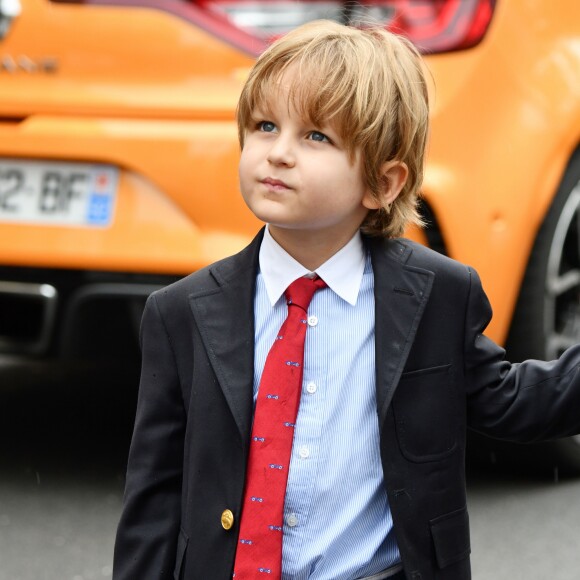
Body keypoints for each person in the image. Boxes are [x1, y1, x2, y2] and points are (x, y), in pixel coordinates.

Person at [112, 20, 580, 580]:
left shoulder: (434, 296)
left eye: (316, 137)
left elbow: (512, 401)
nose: (278, 153)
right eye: (265, 126)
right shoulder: (181, 312)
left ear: (382, 184)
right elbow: (154, 495)